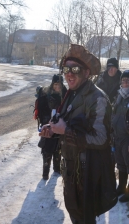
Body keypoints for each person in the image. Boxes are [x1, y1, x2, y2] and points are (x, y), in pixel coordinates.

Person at [40, 44, 117, 224]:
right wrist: (53, 129)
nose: (69, 74)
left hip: (87, 173)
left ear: (86, 73)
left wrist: (65, 131)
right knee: (75, 213)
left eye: (75, 69)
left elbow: (101, 139)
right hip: (71, 170)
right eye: (66, 69)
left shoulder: (97, 98)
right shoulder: (73, 95)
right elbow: (69, 124)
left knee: (84, 217)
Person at [112, 70, 129, 202]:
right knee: (121, 164)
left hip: (128, 138)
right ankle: (121, 188)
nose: (125, 83)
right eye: (123, 80)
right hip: (117, 136)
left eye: (128, 81)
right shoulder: (119, 96)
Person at [37, 74, 67, 180]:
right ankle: (45, 174)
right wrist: (49, 122)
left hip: (60, 128)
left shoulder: (66, 95)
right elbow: (42, 112)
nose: (57, 87)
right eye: (55, 84)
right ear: (52, 84)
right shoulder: (46, 95)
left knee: (58, 150)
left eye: (59, 84)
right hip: (49, 127)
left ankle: (57, 170)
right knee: (47, 151)